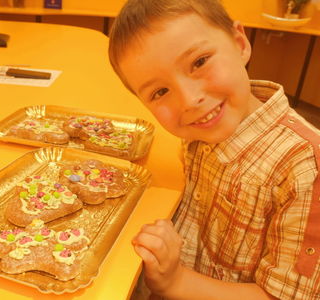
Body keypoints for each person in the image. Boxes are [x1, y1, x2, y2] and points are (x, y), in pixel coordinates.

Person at [108, 0, 320, 299]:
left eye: (199, 62)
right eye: (160, 92)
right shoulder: (202, 130)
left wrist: (174, 282)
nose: (188, 100)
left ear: (240, 43)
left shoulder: (305, 168)